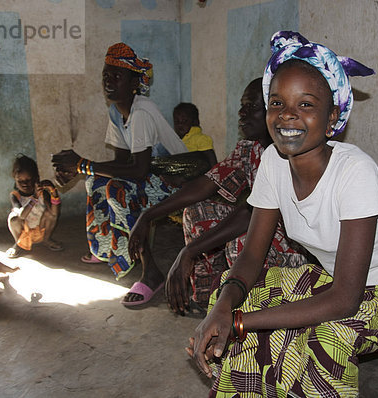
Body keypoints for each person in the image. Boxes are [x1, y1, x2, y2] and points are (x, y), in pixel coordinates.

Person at [188, 31, 378, 397]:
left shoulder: (354, 172)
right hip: (334, 281)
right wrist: (225, 308)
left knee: (325, 334)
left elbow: (345, 299)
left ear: (332, 119)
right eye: (277, 103)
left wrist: (240, 322)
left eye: (306, 104)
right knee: (236, 295)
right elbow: (251, 256)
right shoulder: (273, 163)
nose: (288, 115)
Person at [129, 78, 307, 312]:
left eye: (252, 107)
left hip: (295, 252)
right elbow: (206, 183)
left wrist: (189, 252)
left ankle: (245, 311)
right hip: (264, 229)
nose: (242, 113)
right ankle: (209, 301)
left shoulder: (288, 154)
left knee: (241, 241)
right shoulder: (249, 148)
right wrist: (148, 216)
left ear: (275, 110)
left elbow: (251, 215)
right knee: (197, 212)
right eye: (242, 106)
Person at [52, 42, 188, 305]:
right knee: (96, 180)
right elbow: (121, 162)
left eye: (117, 76)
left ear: (135, 82)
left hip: (178, 181)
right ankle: (107, 248)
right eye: (106, 75)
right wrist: (79, 169)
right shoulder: (117, 111)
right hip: (152, 176)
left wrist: (82, 163)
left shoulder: (142, 111)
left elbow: (137, 171)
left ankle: (151, 274)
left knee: (119, 189)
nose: (109, 81)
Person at [6, 154, 62, 258]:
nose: (24, 184)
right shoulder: (15, 195)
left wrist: (53, 192)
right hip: (24, 233)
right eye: (20, 181)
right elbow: (21, 216)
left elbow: (54, 214)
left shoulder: (42, 193)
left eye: (28, 180)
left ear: (36, 178)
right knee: (13, 218)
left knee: (50, 214)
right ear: (15, 179)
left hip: (40, 230)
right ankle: (18, 244)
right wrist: (34, 198)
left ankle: (47, 239)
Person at [173, 102, 218, 167]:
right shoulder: (176, 141)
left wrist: (214, 176)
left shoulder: (201, 139)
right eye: (177, 121)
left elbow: (212, 161)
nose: (180, 124)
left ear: (195, 121)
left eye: (184, 121)